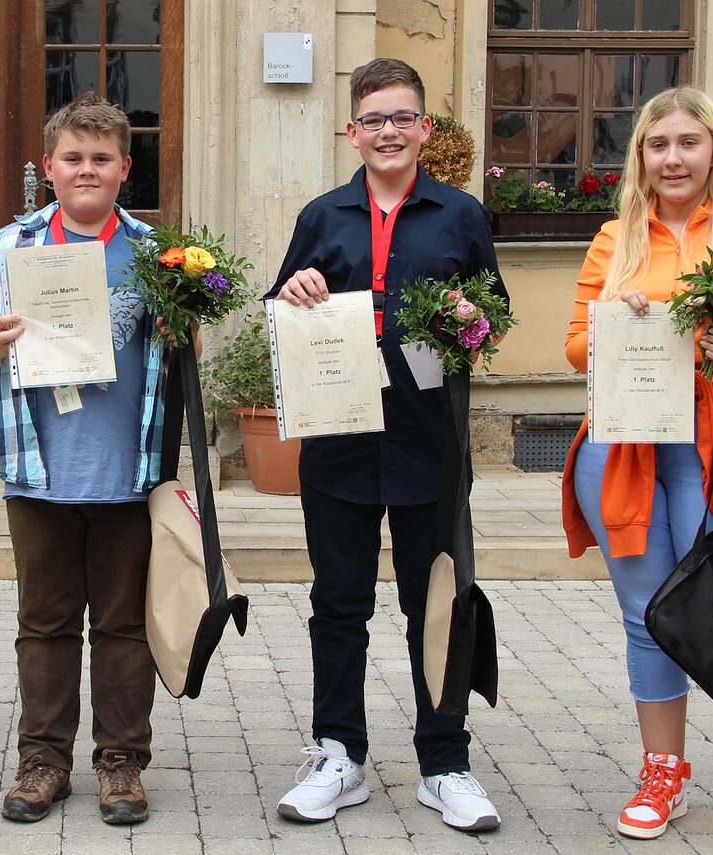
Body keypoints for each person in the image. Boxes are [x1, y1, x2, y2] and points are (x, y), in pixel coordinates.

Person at [562, 86, 713, 850]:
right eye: (658, 144)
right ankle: (662, 772)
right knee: (647, 618)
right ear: (640, 155)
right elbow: (575, 347)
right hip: (623, 443)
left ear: (712, 151)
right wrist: (617, 320)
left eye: (687, 143)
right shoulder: (616, 238)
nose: (673, 158)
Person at [268, 58, 506, 833]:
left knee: (435, 600)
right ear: (353, 130)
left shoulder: (460, 215)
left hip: (426, 442)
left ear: (425, 128)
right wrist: (296, 292)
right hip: (338, 440)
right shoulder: (323, 216)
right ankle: (339, 752)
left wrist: (469, 314)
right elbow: (279, 310)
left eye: (403, 117)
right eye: (374, 119)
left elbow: (494, 315)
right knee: (337, 604)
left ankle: (445, 760)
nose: (388, 132)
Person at [0, 92, 174, 826]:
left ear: (125, 169)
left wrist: (183, 327)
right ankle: (43, 757)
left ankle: (121, 761)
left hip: (128, 468)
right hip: (40, 466)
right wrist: (1, 338)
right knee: (44, 621)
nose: (87, 169)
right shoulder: (13, 244)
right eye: (73, 158)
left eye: (101, 159)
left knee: (122, 623)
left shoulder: (154, 252)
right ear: (48, 167)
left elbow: (186, 351)